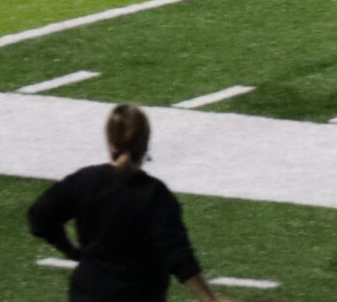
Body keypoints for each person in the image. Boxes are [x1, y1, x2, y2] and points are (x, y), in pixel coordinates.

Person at [28, 105, 240, 302]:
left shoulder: (84, 181)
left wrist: (71, 251)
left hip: (89, 292)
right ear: (145, 144)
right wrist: (209, 298)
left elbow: (39, 218)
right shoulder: (155, 194)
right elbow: (178, 255)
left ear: (110, 141)